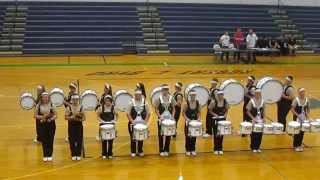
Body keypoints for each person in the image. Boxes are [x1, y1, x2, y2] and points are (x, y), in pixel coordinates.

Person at [127, 89, 150, 157]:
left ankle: (140, 150)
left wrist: (145, 122)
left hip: (142, 123)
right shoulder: (131, 102)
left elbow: (148, 113)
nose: (138, 96)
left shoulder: (145, 102)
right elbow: (128, 114)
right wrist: (132, 122)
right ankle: (133, 151)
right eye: (136, 95)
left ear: (141, 95)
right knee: (133, 138)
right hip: (133, 123)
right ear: (135, 95)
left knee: (141, 137)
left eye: (139, 95)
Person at [34, 92, 57, 162]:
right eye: (44, 97)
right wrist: (42, 117)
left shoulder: (52, 104)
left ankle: (50, 155)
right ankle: (45, 155)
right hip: (42, 124)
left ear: (48, 98)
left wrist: (51, 119)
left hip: (51, 124)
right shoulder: (38, 105)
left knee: (50, 139)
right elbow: (35, 115)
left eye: (46, 97)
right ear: (41, 98)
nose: (45, 98)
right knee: (44, 140)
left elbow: (56, 115)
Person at [154, 84, 176, 157]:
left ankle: (167, 149)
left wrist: (172, 116)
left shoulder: (171, 98)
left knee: (168, 134)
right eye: (164, 90)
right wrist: (160, 116)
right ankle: (161, 150)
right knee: (161, 135)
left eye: (166, 90)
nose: (165, 91)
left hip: (169, 119)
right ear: (161, 90)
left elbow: (174, 108)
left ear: (168, 90)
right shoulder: (158, 99)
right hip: (161, 119)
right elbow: (156, 109)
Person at [65, 95, 85, 161]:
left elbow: (84, 118)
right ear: (72, 100)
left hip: (79, 125)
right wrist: (71, 117)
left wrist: (78, 118)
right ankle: (73, 154)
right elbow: (66, 117)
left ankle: (78, 154)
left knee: (79, 139)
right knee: (72, 140)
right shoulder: (68, 107)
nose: (75, 101)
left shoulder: (81, 107)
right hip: (71, 125)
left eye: (76, 99)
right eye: (74, 99)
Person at [208, 91, 229, 155]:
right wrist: (215, 115)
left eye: (222, 95)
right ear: (217, 95)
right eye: (219, 95)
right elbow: (209, 110)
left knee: (221, 134)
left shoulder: (225, 101)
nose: (221, 96)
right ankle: (216, 148)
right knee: (216, 134)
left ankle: (220, 148)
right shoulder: (213, 102)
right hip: (215, 120)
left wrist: (225, 114)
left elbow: (227, 109)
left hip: (222, 119)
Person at [246, 89, 265, 153]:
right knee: (254, 134)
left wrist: (264, 118)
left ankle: (258, 147)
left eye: (259, 93)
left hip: (260, 120)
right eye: (256, 93)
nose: (258, 95)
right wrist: (253, 118)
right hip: (253, 119)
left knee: (260, 134)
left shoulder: (263, 101)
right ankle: (253, 147)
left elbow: (264, 111)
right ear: (255, 94)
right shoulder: (251, 101)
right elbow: (248, 111)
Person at [291, 88, 310, 152]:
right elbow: (292, 109)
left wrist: (307, 114)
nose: (303, 93)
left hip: (303, 118)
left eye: (304, 92)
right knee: (297, 132)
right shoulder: (296, 100)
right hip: (297, 118)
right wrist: (297, 115)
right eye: (301, 92)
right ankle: (295, 145)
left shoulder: (307, 100)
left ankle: (299, 144)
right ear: (299, 93)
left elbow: (308, 108)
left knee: (302, 131)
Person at [183, 90, 201, 156]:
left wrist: (199, 118)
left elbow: (199, 112)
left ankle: (193, 149)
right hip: (188, 122)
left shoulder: (198, 103)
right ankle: (187, 150)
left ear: (195, 96)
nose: (193, 97)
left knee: (194, 136)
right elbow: (183, 113)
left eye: (194, 95)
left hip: (195, 122)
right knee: (188, 136)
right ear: (190, 96)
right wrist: (187, 119)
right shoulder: (186, 104)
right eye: (192, 95)